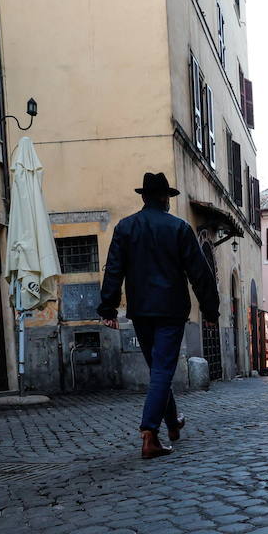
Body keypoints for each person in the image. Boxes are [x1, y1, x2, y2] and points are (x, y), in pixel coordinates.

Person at [99, 172, 219, 459]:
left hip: (141, 312)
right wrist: (210, 310)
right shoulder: (179, 228)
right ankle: (149, 434)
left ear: (143, 197)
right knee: (163, 370)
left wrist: (108, 308)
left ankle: (172, 422)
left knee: (159, 370)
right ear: (165, 198)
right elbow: (200, 274)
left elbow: (114, 269)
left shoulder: (125, 228)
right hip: (171, 311)